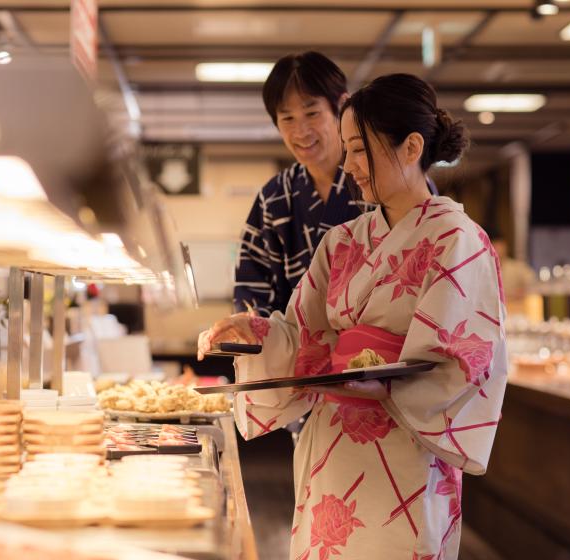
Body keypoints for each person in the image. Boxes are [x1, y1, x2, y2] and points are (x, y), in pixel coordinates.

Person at [199, 73, 507, 559]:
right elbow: (302, 333)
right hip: (332, 444)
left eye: (360, 150)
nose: (349, 166)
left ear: (411, 147)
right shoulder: (343, 240)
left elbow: (463, 358)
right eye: (347, 150)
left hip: (406, 448)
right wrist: (255, 332)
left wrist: (383, 382)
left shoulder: (458, 240)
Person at [234, 51, 361, 317]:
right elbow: (252, 294)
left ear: (342, 106)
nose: (301, 132)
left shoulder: (381, 178)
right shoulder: (274, 198)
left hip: (380, 355)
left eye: (312, 113)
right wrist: (251, 326)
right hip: (296, 353)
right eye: (287, 118)